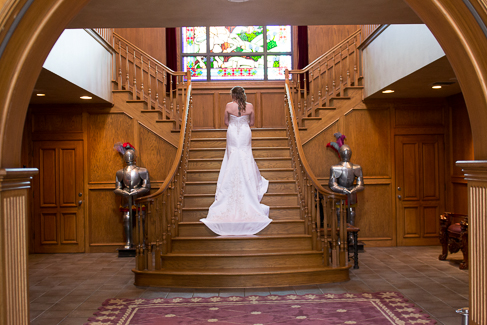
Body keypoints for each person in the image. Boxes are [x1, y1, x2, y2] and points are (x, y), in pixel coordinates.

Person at [200, 86, 271, 235]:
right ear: (243, 94)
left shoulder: (228, 106)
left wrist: (234, 123)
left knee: (233, 154)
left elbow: (226, 121)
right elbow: (251, 123)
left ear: (233, 95)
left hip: (232, 131)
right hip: (245, 131)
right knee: (245, 154)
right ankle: (248, 180)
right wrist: (242, 122)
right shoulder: (250, 106)